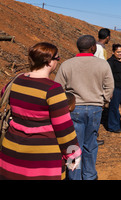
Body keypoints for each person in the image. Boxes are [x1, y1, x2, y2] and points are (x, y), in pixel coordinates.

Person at [0, 42, 81, 180]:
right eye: (58, 58)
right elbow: (64, 129)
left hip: (11, 152)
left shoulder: (15, 81)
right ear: (49, 62)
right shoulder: (53, 89)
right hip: (42, 159)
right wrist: (73, 155)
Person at [55, 35, 114, 180]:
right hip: (95, 109)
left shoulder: (67, 65)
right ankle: (89, 175)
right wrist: (104, 101)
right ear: (93, 47)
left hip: (73, 110)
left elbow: (58, 88)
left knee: (73, 146)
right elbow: (110, 86)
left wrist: (66, 104)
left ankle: (73, 176)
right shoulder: (103, 64)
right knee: (91, 143)